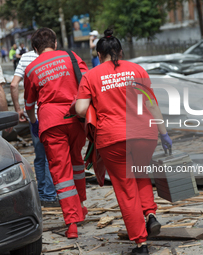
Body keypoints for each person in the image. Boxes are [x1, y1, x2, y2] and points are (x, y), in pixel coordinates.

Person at [75, 29, 172, 255]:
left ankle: (140, 243)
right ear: (120, 51)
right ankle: (150, 214)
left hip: (113, 138)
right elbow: (152, 105)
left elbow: (80, 109)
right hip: (144, 135)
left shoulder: (91, 75)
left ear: (99, 54)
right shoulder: (137, 69)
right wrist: (164, 133)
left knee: (126, 188)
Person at [24, 28, 89, 239]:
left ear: (35, 49)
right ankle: (81, 206)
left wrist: (34, 121)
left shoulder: (32, 69)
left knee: (61, 174)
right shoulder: (71, 56)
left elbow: (29, 103)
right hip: (76, 117)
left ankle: (71, 223)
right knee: (77, 163)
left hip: (51, 123)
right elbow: (88, 82)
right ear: (55, 42)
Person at [10, 50, 60, 207]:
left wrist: (18, 109)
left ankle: (42, 193)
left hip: (33, 115)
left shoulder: (25, 58)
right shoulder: (56, 57)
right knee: (50, 156)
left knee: (39, 156)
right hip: (50, 114)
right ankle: (50, 195)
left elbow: (13, 84)